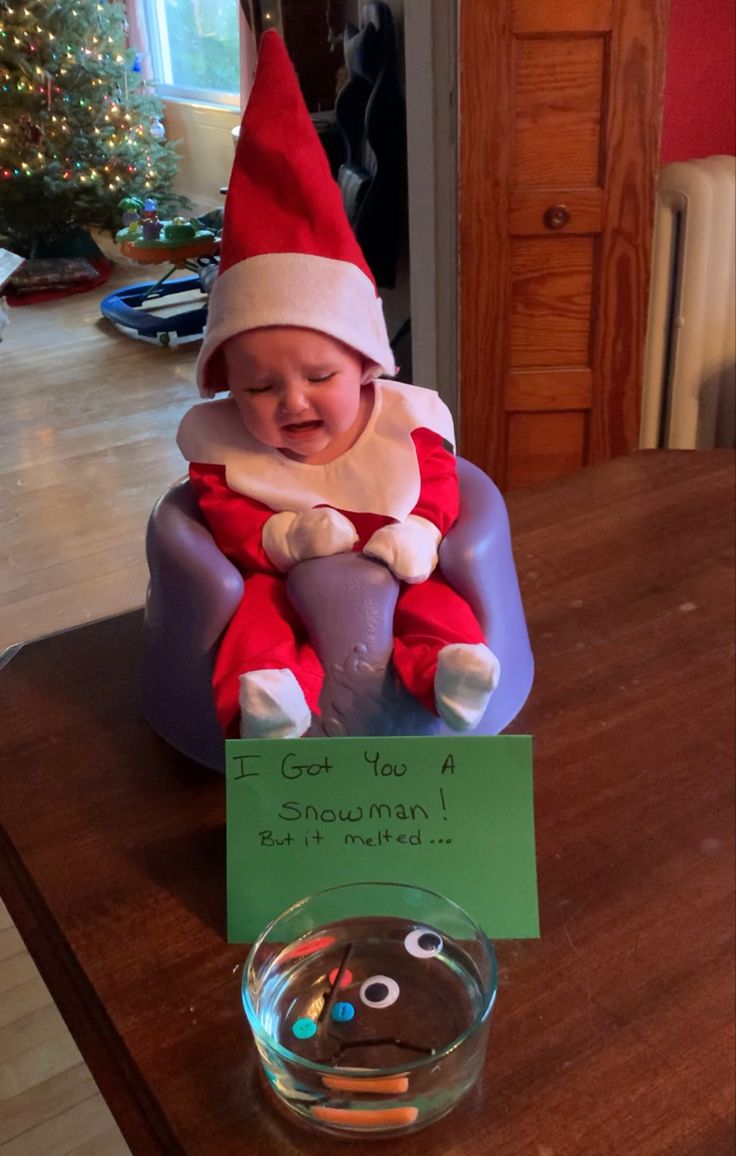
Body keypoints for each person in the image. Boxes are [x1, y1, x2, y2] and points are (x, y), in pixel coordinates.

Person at [176, 30, 500, 740]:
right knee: (258, 617)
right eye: (258, 388)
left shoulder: (403, 423)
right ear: (226, 384)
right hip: (282, 571)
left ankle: (451, 672)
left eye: (320, 376)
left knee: (434, 600)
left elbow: (441, 483)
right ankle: (270, 701)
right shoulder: (225, 447)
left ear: (363, 363)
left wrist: (419, 530)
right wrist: (284, 539)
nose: (292, 401)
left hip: (397, 561)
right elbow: (223, 515)